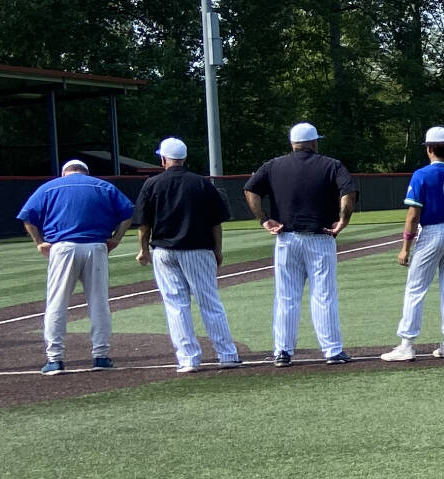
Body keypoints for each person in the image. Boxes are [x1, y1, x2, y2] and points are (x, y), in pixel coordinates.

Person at [244, 122, 358, 366]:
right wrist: (343, 221)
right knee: (323, 295)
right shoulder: (331, 164)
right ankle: (332, 351)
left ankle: (282, 352)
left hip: (286, 238)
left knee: (286, 296)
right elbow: (348, 193)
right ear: (314, 142)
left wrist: (263, 219)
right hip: (321, 237)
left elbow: (250, 189)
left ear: (292, 144)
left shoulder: (273, 165)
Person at [132, 136, 239, 372]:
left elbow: (143, 224)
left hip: (164, 251)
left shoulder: (152, 184)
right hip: (198, 250)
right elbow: (216, 223)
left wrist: (143, 249)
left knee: (176, 305)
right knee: (209, 302)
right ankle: (227, 354)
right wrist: (217, 250)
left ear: (163, 159)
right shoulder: (202, 183)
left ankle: (188, 359)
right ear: (184, 158)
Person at [18, 160, 133, 374]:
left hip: (62, 247)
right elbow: (127, 212)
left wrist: (39, 242)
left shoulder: (49, 187)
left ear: (64, 173)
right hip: (96, 246)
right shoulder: (103, 186)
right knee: (98, 303)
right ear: (86, 172)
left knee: (57, 303)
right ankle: (101, 356)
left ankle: (55, 359)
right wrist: (117, 238)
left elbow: (27, 217)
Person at [382, 127, 444, 361]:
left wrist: (405, 247)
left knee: (416, 288)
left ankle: (406, 344)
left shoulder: (422, 175)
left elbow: (413, 215)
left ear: (430, 148)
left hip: (433, 230)